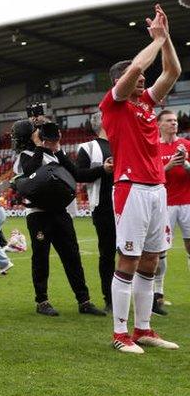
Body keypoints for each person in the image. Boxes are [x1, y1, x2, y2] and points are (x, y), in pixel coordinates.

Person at [99, 4, 180, 353]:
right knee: (128, 260)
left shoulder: (146, 104)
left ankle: (143, 329)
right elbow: (135, 67)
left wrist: (166, 41)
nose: (145, 80)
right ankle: (120, 335)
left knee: (151, 260)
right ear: (120, 83)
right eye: (139, 79)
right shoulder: (113, 104)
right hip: (130, 189)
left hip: (156, 189)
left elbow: (172, 70)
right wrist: (154, 39)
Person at [13, 118, 105, 317]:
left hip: (60, 213)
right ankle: (42, 300)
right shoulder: (24, 156)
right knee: (41, 258)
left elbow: (77, 173)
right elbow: (30, 170)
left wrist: (57, 147)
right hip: (38, 214)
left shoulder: (55, 155)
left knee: (72, 256)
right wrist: (40, 147)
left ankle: (84, 300)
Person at [74, 112, 115, 309]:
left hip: (129, 202)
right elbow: (79, 174)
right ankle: (110, 298)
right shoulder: (88, 147)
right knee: (107, 253)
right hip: (104, 207)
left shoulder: (123, 142)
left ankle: (146, 297)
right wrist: (103, 170)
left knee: (133, 253)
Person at [154, 109, 188, 314]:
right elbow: (151, 173)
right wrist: (167, 166)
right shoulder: (154, 147)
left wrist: (184, 163)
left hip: (188, 202)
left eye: (175, 121)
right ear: (159, 124)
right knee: (160, 250)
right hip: (165, 203)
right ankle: (159, 293)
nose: (173, 123)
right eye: (168, 121)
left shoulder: (186, 145)